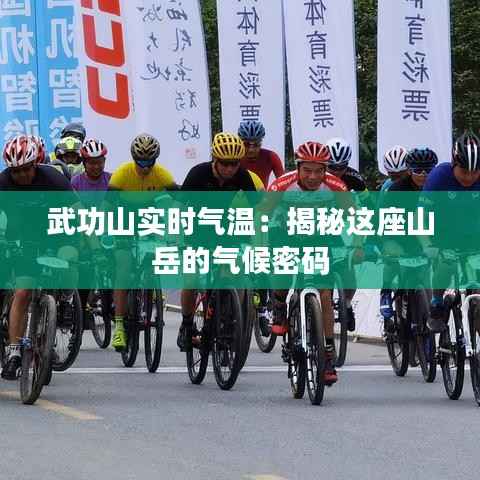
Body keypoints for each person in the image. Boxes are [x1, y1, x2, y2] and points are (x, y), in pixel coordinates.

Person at [268, 141, 362, 385]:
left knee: (325, 294)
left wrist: (357, 246)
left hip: (318, 237)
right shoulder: (281, 185)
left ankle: (327, 354)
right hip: (285, 234)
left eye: (319, 171)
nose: (313, 176)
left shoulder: (336, 186)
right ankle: (279, 305)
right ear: (298, 167)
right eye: (307, 170)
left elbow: (355, 217)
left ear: (325, 170)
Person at [0, 135, 81, 379]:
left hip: (57, 235)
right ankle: (14, 352)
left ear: (35, 164)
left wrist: (93, 245)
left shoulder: (53, 179)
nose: (22, 175)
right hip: (24, 239)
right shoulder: (3, 182)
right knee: (23, 291)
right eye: (16, 171)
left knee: (69, 258)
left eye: (26, 169)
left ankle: (65, 300)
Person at [177, 132, 258, 351]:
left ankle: (229, 318)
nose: (230, 169)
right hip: (197, 227)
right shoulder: (198, 173)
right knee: (191, 278)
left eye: (234, 164)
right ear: (215, 159)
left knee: (234, 273)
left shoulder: (242, 176)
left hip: (225, 227)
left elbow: (257, 208)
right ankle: (187, 324)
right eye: (225, 164)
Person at [108, 133, 176, 351]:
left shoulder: (163, 174)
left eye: (149, 162)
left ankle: (151, 288)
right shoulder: (121, 174)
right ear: (134, 159)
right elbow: (107, 207)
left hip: (149, 219)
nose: (145, 168)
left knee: (155, 255)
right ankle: (119, 326)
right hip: (124, 219)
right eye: (141, 162)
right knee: (124, 267)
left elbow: (180, 202)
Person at [421, 131, 480, 332]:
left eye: (475, 172)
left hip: (473, 235)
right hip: (443, 235)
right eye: (464, 171)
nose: (469, 177)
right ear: (454, 164)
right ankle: (437, 302)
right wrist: (428, 245)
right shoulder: (439, 176)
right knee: (446, 264)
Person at [378, 147, 438, 332]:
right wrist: (387, 246)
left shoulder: (438, 187)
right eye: (418, 170)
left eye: (428, 170)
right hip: (398, 233)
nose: (423, 174)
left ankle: (427, 319)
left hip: (425, 234)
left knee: (426, 281)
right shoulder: (396, 189)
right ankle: (386, 291)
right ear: (409, 170)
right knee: (392, 256)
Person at [326, 137, 369, 332]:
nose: (336, 172)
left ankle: (347, 304)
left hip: (341, 220)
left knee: (348, 268)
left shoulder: (354, 178)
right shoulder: (313, 176)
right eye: (332, 168)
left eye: (341, 168)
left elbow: (367, 207)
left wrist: (361, 243)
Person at [238, 120, 284, 187]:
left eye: (256, 144)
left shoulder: (271, 157)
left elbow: (283, 183)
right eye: (246, 144)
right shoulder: (236, 157)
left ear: (261, 142)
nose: (251, 150)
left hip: (261, 193)